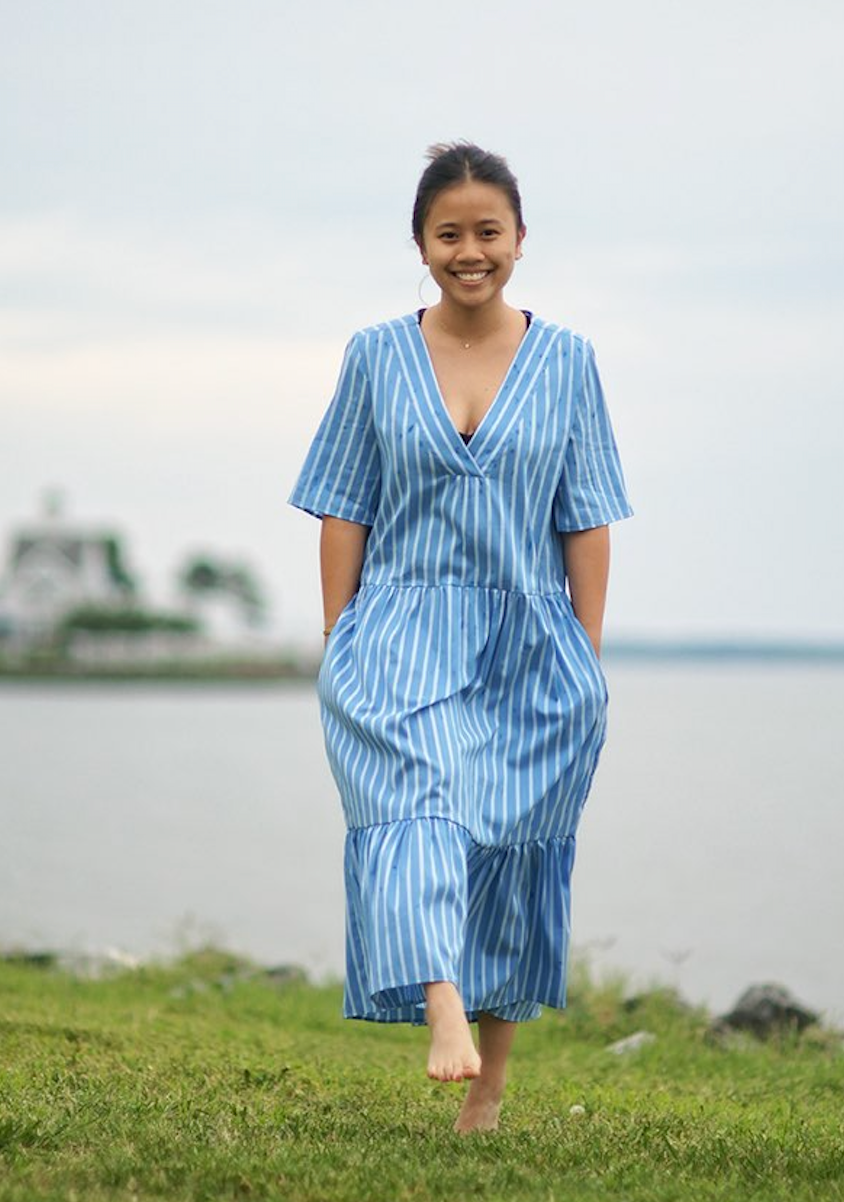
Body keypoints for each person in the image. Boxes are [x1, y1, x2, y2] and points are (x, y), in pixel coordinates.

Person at [287, 141, 633, 1133]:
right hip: (398, 628)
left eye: (488, 231)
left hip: (532, 640)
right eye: (450, 234)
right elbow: (342, 503)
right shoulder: (374, 355)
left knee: (514, 854)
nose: (469, 250)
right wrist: (337, 631)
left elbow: (587, 513)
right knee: (414, 807)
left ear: (519, 239)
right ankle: (441, 1003)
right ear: (420, 244)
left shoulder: (567, 361)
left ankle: (484, 1096)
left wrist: (588, 655)